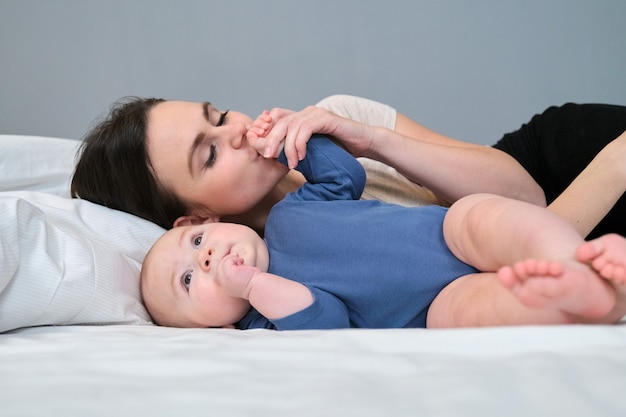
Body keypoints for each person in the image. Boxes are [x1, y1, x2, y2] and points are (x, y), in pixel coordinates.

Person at [139, 135, 626, 330]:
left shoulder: (290, 212)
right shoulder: (266, 321)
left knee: (481, 215)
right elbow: (323, 321)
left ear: (208, 223)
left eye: (198, 243)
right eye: (189, 282)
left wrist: (294, 144)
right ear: (209, 326)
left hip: (445, 234)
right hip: (436, 305)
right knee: (478, 315)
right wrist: (250, 286)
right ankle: (589, 296)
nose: (204, 260)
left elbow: (343, 177)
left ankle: (571, 258)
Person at [71, 95, 626, 241]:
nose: (236, 129)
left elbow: (524, 194)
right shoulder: (293, 257)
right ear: (195, 221)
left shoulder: (335, 117)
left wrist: (373, 141)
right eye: (210, 153)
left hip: (556, 163)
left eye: (217, 114)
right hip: (573, 220)